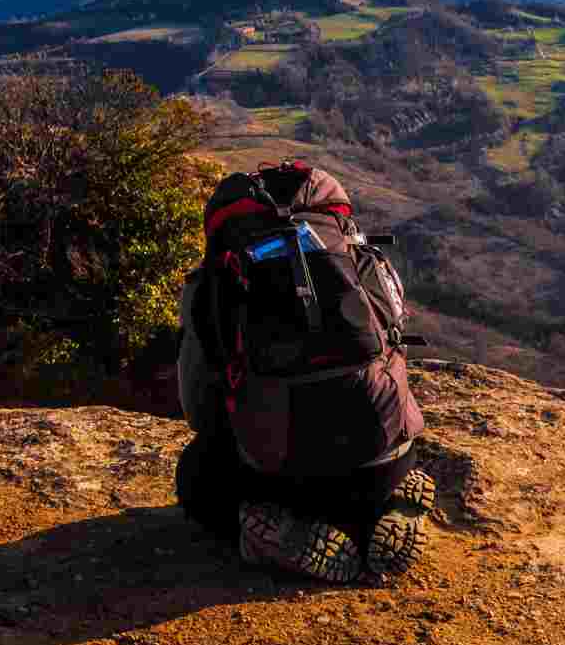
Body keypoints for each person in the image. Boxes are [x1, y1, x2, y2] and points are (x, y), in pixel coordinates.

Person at [175, 162, 434, 583]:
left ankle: (276, 535)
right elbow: (395, 352)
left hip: (283, 475)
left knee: (196, 478)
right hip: (381, 456)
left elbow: (199, 412)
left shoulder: (212, 286)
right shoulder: (365, 260)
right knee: (386, 447)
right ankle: (380, 509)